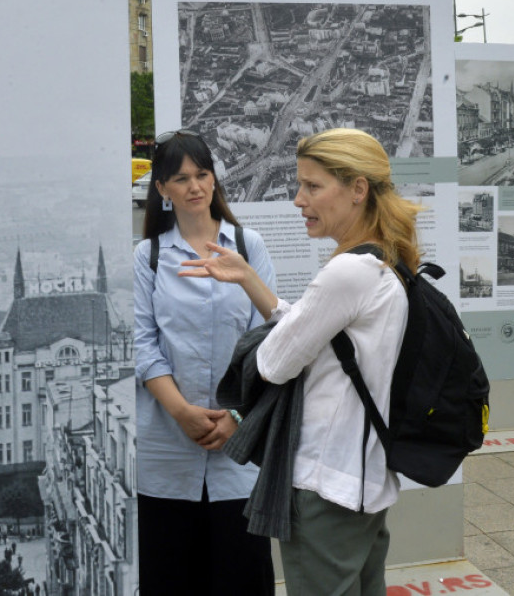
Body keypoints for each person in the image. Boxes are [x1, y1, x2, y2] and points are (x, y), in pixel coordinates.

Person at [180, 128, 423, 595]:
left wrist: (261, 340)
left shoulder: (348, 271)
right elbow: (323, 336)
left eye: (312, 186)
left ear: (357, 189)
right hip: (363, 480)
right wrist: (251, 280)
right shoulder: (386, 259)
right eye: (300, 185)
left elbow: (274, 361)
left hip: (326, 487)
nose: (298, 199)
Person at [134, 129, 276, 595]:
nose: (195, 186)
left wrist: (236, 417)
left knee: (243, 578)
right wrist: (182, 412)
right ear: (162, 189)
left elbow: (272, 342)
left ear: (215, 179)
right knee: (171, 579)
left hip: (241, 448)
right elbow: (143, 345)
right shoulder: (149, 255)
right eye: (180, 178)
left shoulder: (248, 245)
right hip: (168, 449)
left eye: (202, 174)